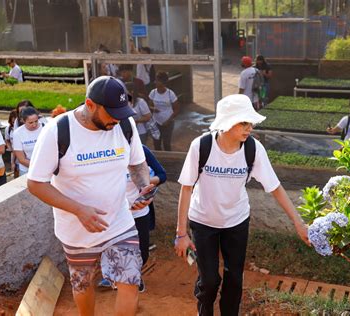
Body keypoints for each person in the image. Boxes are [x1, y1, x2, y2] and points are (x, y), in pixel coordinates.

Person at [27, 76, 155, 316]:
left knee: (129, 281)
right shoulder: (58, 131)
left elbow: (137, 164)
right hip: (77, 230)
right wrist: (78, 209)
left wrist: (144, 186)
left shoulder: (124, 125)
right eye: (111, 113)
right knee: (83, 284)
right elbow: (35, 183)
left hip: (120, 222)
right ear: (90, 104)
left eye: (121, 112)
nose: (117, 119)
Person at [174, 94, 310, 316]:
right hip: (203, 221)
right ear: (227, 122)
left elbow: (275, 187)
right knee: (209, 280)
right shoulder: (201, 146)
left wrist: (299, 223)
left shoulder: (253, 150)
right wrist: (181, 233)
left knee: (234, 279)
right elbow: (186, 187)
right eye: (243, 123)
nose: (249, 129)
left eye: (250, 123)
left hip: (236, 221)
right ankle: (204, 311)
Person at [99, 145, 167, 292]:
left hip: (139, 211)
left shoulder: (142, 150)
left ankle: (133, 273)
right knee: (115, 246)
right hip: (116, 213)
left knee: (142, 251)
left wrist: (147, 183)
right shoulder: (105, 152)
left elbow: (162, 175)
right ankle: (118, 277)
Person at [148, 71, 180, 151]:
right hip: (156, 122)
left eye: (157, 80)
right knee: (156, 143)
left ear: (163, 82)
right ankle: (158, 161)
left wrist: (168, 121)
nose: (155, 82)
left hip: (168, 124)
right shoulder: (153, 93)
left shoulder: (170, 94)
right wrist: (153, 109)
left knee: (166, 143)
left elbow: (176, 109)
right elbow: (149, 106)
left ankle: (169, 162)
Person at [12, 107, 44, 176]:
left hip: (46, 168)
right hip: (27, 170)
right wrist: (38, 167)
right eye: (30, 123)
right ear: (23, 121)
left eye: (36, 121)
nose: (34, 125)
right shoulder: (18, 133)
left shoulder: (45, 127)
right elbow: (21, 159)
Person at [4, 110, 18, 177]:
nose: (14, 124)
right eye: (13, 122)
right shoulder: (8, 129)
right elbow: (7, 140)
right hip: (14, 152)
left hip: (21, 151)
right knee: (14, 169)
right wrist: (10, 148)